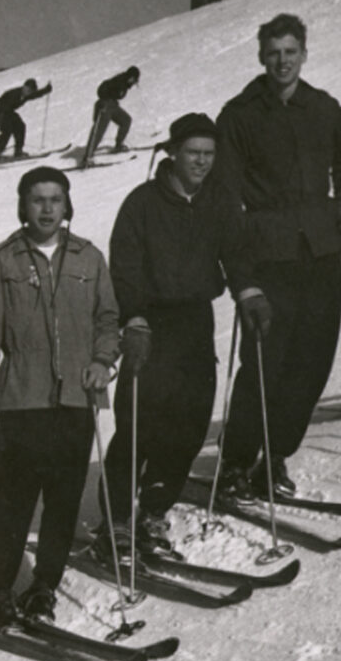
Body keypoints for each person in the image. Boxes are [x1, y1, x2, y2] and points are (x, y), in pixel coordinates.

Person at [215, 13, 341, 500]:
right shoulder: (239, 114)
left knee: (311, 358)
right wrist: (242, 269)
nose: (282, 61)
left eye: (291, 51)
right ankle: (236, 462)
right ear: (262, 57)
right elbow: (223, 192)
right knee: (265, 361)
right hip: (269, 252)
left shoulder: (323, 108)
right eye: (274, 52)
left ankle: (274, 456)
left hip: (320, 248)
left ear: (304, 53)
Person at [101, 114, 263, 560]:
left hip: (195, 321)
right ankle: (114, 522)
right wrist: (132, 319)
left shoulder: (220, 200)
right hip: (149, 325)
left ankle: (153, 510)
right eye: (193, 153)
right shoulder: (142, 203)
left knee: (190, 422)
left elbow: (236, 252)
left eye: (209, 155)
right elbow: (124, 267)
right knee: (139, 425)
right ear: (173, 153)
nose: (202, 162)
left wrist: (248, 291)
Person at [0, 167, 121, 625]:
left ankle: (43, 588)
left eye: (56, 199)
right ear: (24, 205)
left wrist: (102, 360)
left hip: (76, 399)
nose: (48, 208)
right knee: (10, 502)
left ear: (67, 204)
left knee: (62, 500)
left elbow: (108, 320)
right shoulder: (2, 261)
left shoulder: (89, 258)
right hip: (21, 400)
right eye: (38, 200)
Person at [84, 66, 140, 164]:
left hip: (112, 106)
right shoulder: (119, 81)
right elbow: (102, 90)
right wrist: (103, 103)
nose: (135, 82)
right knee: (99, 131)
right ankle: (88, 157)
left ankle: (119, 145)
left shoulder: (124, 82)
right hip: (104, 106)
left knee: (126, 120)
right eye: (135, 80)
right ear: (131, 77)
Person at [0, 77, 53, 162]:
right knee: (7, 130)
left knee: (20, 126)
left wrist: (46, 90)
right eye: (27, 90)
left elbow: (34, 95)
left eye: (30, 91)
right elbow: (3, 106)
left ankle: (18, 151)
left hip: (9, 112)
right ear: (24, 87)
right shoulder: (14, 94)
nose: (28, 93)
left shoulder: (25, 95)